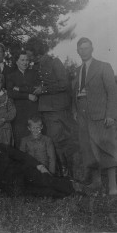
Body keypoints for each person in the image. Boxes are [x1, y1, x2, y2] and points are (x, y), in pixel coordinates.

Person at [0, 132, 81, 198]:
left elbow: (22, 156)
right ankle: (71, 196)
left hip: (25, 174)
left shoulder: (0, 149)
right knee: (44, 193)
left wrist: (39, 166)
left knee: (47, 181)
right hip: (15, 188)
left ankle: (76, 188)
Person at [73, 37, 117, 195]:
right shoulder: (78, 70)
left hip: (100, 115)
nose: (83, 51)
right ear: (77, 51)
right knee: (88, 149)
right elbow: (76, 93)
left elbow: (112, 91)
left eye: (86, 48)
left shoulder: (103, 67)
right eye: (80, 48)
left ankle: (113, 187)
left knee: (106, 147)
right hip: (82, 114)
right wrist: (75, 112)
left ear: (92, 49)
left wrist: (111, 114)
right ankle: (96, 183)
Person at [33, 49, 77, 177]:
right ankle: (60, 170)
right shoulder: (36, 66)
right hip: (45, 109)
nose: (30, 57)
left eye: (31, 53)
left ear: (38, 52)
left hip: (57, 109)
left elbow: (64, 84)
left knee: (58, 140)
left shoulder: (54, 62)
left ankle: (65, 169)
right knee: (53, 140)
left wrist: (44, 90)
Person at [7, 50, 39, 147]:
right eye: (22, 60)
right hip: (19, 112)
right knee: (20, 138)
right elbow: (10, 93)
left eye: (27, 60)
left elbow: (36, 89)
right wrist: (27, 95)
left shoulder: (34, 73)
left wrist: (19, 89)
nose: (25, 62)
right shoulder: (11, 76)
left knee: (35, 137)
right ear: (17, 62)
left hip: (34, 110)